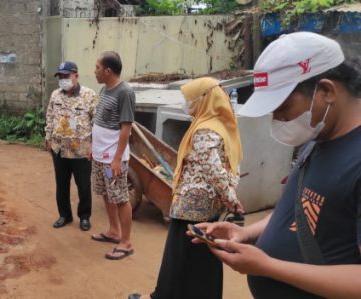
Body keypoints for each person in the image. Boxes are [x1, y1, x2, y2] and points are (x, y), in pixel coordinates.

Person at [192, 32, 361, 299]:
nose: (278, 118)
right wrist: (246, 233)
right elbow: (300, 208)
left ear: (327, 91)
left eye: (283, 106)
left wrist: (268, 267)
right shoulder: (318, 138)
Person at [129, 77, 244, 299]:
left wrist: (231, 198)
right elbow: (231, 167)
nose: (185, 103)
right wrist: (231, 196)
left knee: (178, 257)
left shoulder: (204, 130)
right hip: (208, 205)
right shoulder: (222, 124)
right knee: (203, 257)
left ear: (204, 100)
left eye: (189, 99)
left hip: (192, 206)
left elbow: (214, 169)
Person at [89, 51, 136, 260]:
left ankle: (126, 243)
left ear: (108, 71)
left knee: (120, 198)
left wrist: (117, 159)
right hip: (100, 155)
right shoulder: (105, 89)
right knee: (106, 193)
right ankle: (113, 231)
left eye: (97, 67)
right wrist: (93, 146)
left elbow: (126, 129)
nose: (95, 71)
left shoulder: (124, 92)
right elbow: (99, 120)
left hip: (112, 159)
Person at [45, 61, 98, 231]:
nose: (63, 79)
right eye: (60, 76)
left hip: (81, 150)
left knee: (83, 185)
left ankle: (84, 217)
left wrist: (93, 146)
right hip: (59, 148)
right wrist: (48, 138)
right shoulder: (55, 95)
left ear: (76, 75)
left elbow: (97, 122)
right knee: (61, 184)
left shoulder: (89, 95)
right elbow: (50, 117)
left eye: (66, 76)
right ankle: (64, 215)